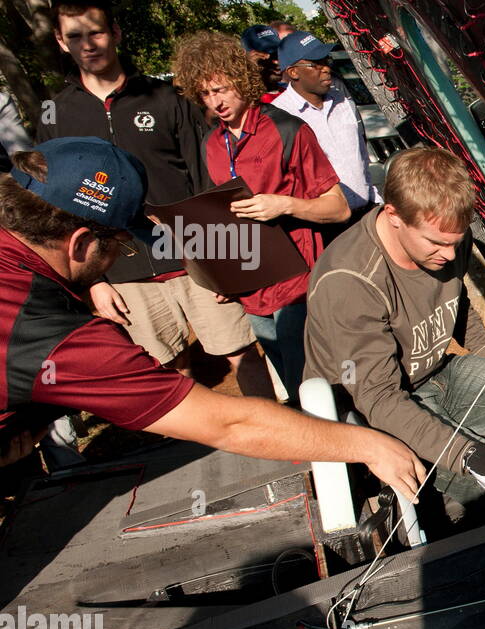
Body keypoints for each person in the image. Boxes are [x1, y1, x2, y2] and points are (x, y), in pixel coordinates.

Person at [0, 137, 424, 500]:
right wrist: (369, 444)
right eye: (122, 249)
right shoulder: (53, 334)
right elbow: (227, 422)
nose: (118, 259)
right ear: (80, 245)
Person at [302, 148, 485, 517]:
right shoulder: (350, 281)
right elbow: (378, 400)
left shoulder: (448, 239)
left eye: (455, 242)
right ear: (393, 215)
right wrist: (468, 454)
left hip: (440, 374)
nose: (448, 254)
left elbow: (457, 307)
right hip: (374, 410)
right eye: (436, 243)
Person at [40, 0, 274, 398]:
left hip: (192, 256)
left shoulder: (165, 97)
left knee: (242, 353)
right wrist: (92, 282)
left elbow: (206, 180)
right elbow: (57, 207)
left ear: (115, 32)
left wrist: (225, 260)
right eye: (75, 36)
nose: (88, 45)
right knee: (165, 372)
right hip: (119, 270)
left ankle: (284, 446)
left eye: (95, 32)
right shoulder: (54, 113)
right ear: (61, 42)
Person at [171, 31, 349, 402]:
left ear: (240, 79)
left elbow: (338, 208)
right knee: (299, 394)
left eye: (220, 89)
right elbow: (223, 220)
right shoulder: (212, 145)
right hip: (252, 292)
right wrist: (222, 276)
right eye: (205, 94)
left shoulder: (287, 129)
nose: (215, 101)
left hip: (297, 286)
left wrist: (284, 204)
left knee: (319, 394)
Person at [271, 31, 380, 229]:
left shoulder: (343, 100)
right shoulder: (279, 116)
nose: (326, 69)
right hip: (325, 227)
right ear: (293, 72)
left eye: (325, 60)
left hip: (368, 214)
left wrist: (375, 200)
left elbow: (361, 157)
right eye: (315, 63)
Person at [241, 24, 285, 101]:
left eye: (278, 55)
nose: (276, 62)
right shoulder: (243, 101)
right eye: (267, 57)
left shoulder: (294, 92)